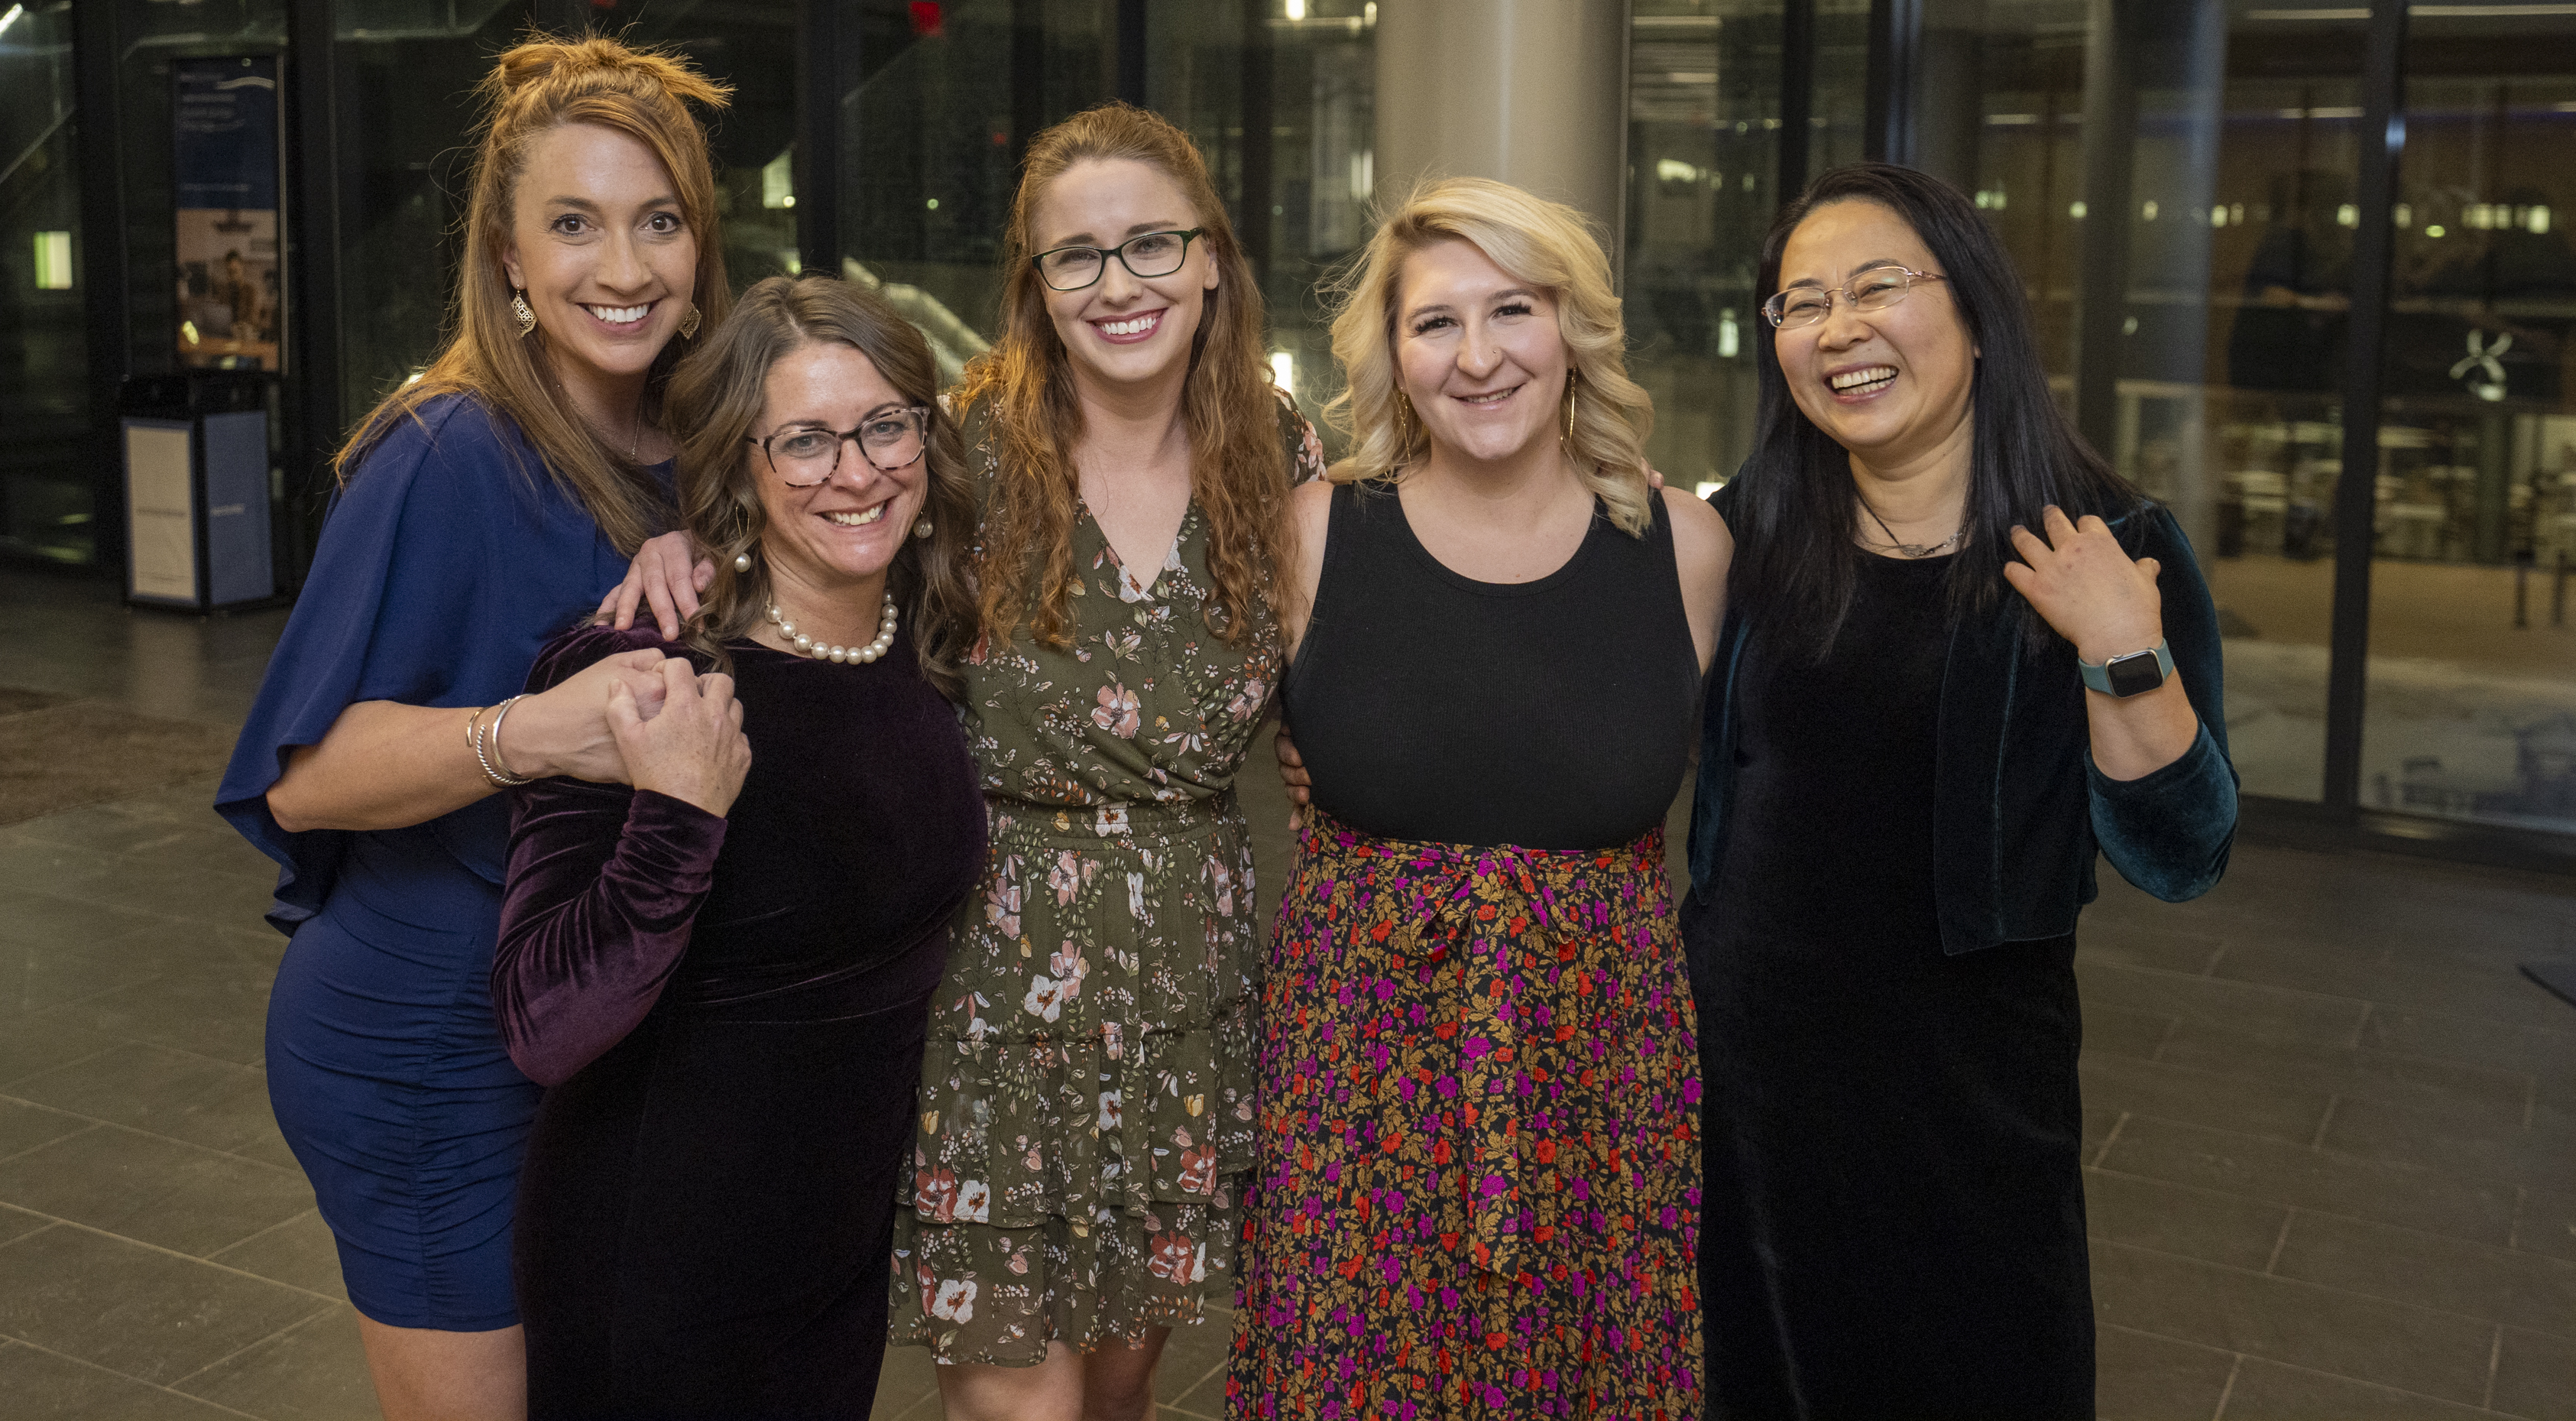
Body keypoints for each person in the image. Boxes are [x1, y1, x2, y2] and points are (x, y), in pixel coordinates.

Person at [604, 102, 1327, 1421]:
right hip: (988, 989)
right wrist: (692, 539)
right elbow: (816, 499)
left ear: (1213, 258)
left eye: (1152, 244)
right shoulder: (960, 450)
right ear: (1036, 286)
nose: (1118, 285)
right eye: (1076, 256)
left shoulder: (1279, 455)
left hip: (1189, 982)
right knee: (1020, 1407)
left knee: (1119, 1393)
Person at [212, 35, 729, 1421]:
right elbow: (303, 781)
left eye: (658, 221)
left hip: (586, 1025)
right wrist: (531, 735)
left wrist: (725, 554)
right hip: (425, 1045)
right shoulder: (446, 451)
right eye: (574, 224)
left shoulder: (699, 450)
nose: (623, 267)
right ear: (508, 258)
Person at [1690, 162, 2239, 1418]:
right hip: (1757, 1072)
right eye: (1802, 303)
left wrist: (2121, 647)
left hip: (1973, 1087)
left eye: (1879, 286)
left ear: (1980, 317)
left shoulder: (2107, 541)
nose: (1839, 328)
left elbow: (2183, 852)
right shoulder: (1748, 529)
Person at [1228, 178, 1724, 1419]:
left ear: (1573, 329)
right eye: (1435, 322)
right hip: (1355, 1077)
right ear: (1392, 356)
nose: (1479, 355)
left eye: (1514, 309)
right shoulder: (1313, 535)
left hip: (1603, 1083)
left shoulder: (1688, 550)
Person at [494, 277, 990, 1419]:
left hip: (832, 1255)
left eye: (885, 426)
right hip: (662, 1258)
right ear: (739, 466)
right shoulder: (648, 668)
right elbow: (541, 1021)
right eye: (805, 441)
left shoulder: (923, 631)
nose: (858, 472)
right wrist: (678, 815)